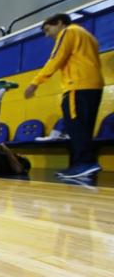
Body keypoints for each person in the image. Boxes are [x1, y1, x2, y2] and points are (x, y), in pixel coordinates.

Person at [24, 13, 104, 179]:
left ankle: (85, 162)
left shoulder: (68, 32)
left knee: (75, 126)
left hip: (77, 85)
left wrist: (35, 82)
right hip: (94, 86)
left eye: (48, 29)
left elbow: (56, 58)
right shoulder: (88, 36)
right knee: (84, 127)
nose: (47, 35)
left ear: (59, 23)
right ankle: (78, 166)